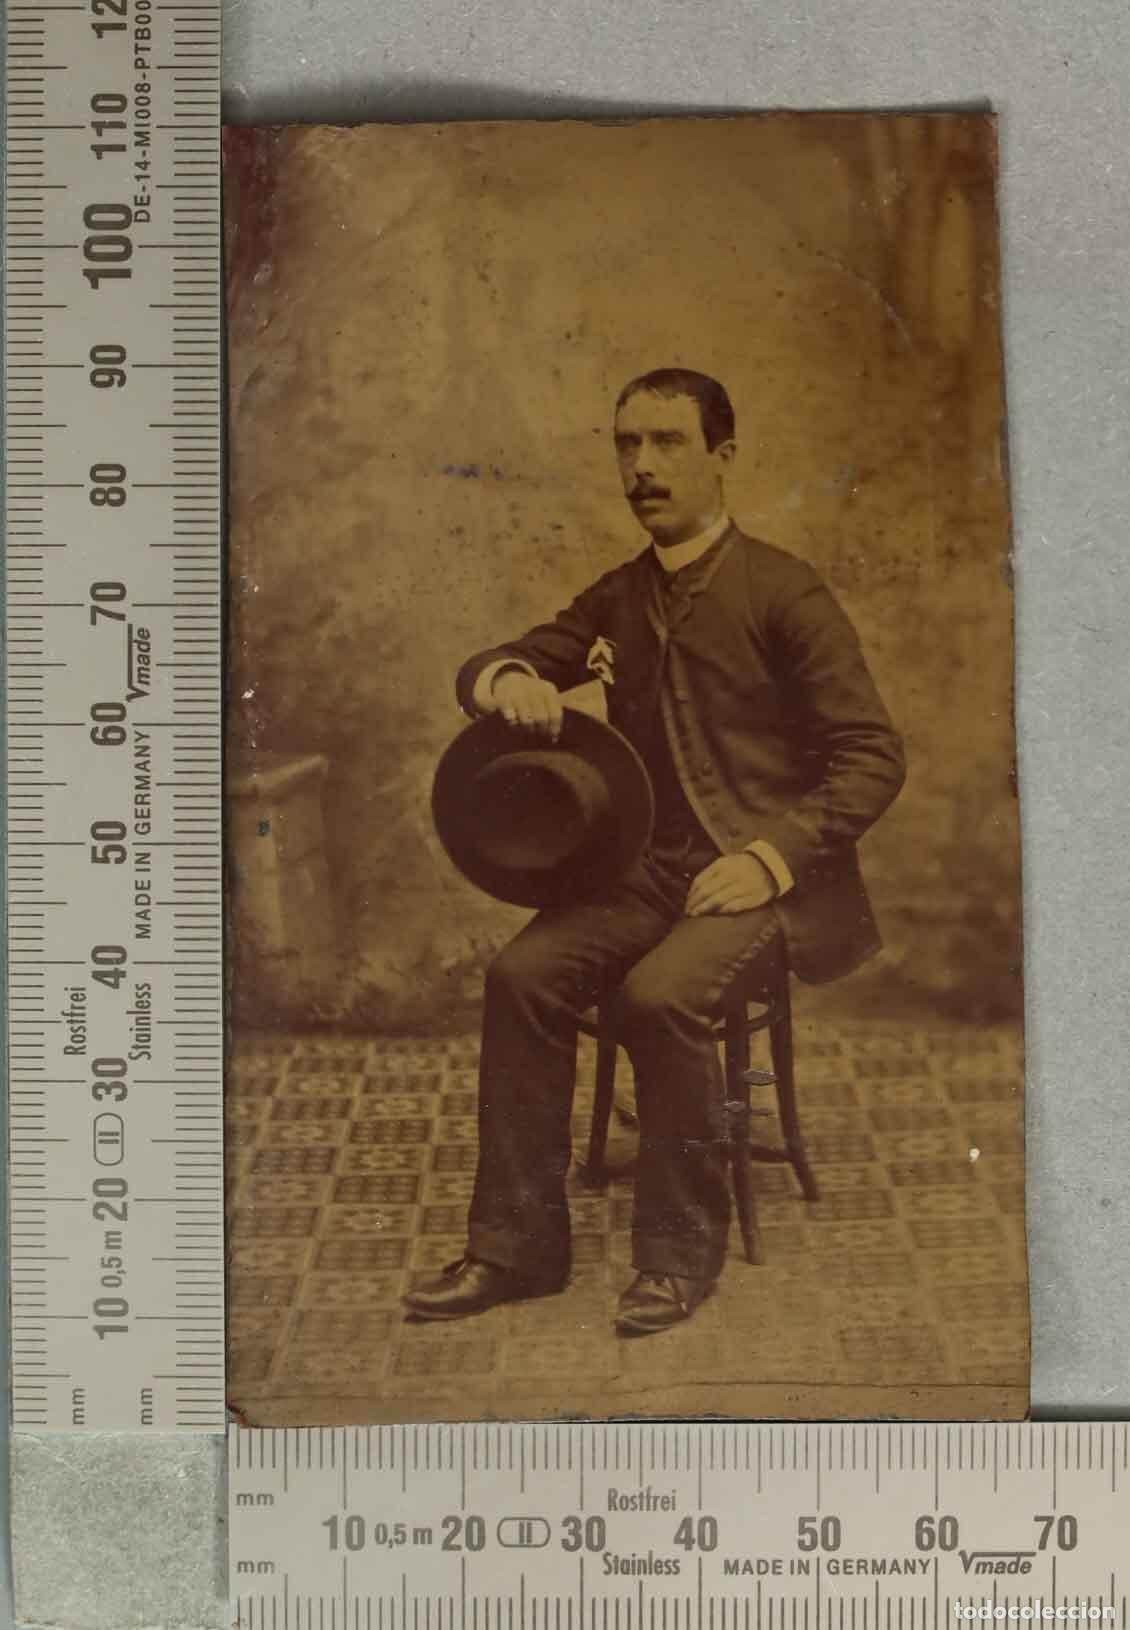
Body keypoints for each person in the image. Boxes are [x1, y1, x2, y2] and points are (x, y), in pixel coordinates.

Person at [404, 367, 906, 1335]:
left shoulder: (784, 592)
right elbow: (499, 659)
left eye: (666, 442)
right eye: (626, 444)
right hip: (645, 875)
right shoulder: (619, 597)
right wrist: (507, 679)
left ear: (720, 456)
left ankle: (677, 1259)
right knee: (521, 975)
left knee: (658, 996)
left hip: (760, 887)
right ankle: (514, 1248)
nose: (641, 466)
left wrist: (767, 857)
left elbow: (872, 753)